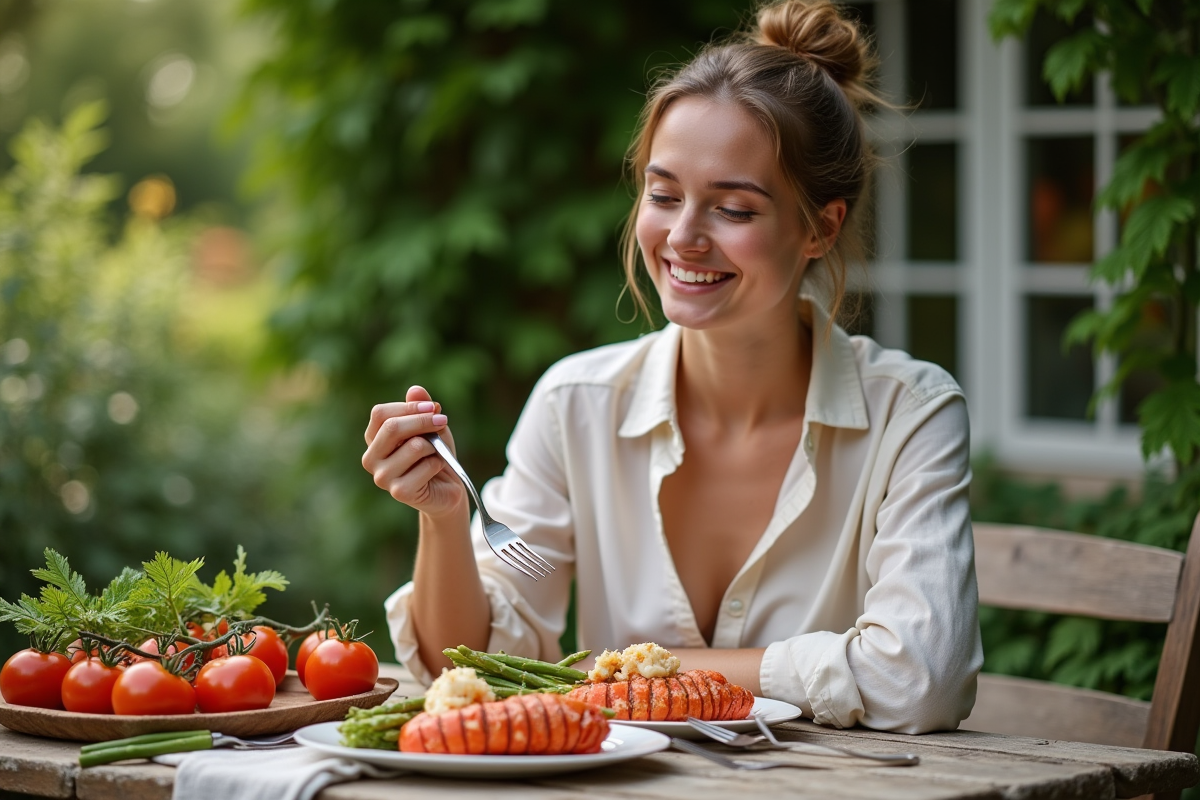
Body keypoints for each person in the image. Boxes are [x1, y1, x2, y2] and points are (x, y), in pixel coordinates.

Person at [362, 0, 982, 734]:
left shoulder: (911, 414)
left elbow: (921, 677)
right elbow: (466, 666)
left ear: (820, 226)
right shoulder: (575, 404)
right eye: (663, 195)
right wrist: (443, 519)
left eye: (735, 210)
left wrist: (646, 669)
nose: (683, 238)